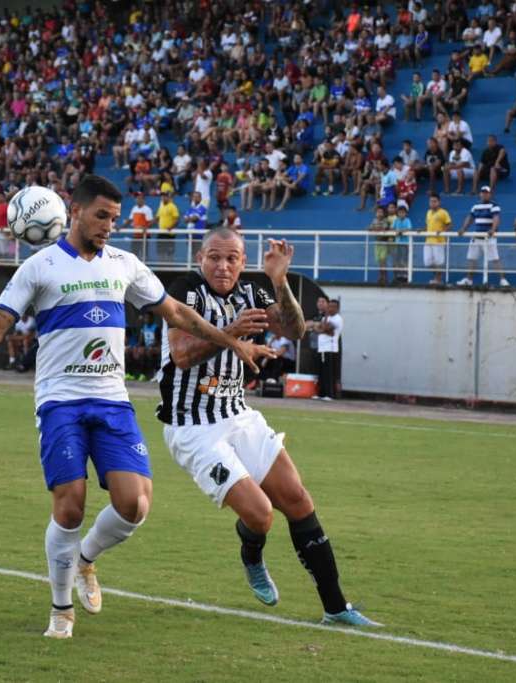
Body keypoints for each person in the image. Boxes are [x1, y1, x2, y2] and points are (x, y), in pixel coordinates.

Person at [0, 175, 273, 640]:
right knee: (70, 506)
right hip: (61, 401)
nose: (109, 225)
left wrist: (231, 341)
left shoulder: (125, 265)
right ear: (74, 212)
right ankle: (60, 610)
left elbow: (177, 313)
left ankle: (86, 561)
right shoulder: (39, 267)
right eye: (101, 216)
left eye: (115, 218)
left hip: (112, 400)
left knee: (134, 504)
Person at [158, 228, 376, 626]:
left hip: (238, 415)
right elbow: (182, 355)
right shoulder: (186, 291)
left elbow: (295, 330)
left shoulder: (251, 294)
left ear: (243, 262)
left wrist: (279, 282)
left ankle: (336, 607)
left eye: (232, 259)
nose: (222, 266)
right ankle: (252, 554)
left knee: (297, 499)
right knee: (260, 515)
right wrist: (233, 333)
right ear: (199, 257)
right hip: (193, 426)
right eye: (214, 257)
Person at [457, 186, 510, 287]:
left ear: (490, 194)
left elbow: (496, 218)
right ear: (480, 194)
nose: (484, 194)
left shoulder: (494, 205)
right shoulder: (475, 206)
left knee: (495, 259)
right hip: (477, 237)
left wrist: (493, 229)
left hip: (489, 238)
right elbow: (470, 218)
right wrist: (463, 228)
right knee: (472, 259)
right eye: (482, 192)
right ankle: (469, 280)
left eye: (486, 193)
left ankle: (503, 279)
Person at [312, 298, 343, 400]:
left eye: (333, 307)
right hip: (322, 349)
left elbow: (325, 328)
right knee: (321, 372)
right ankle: (321, 393)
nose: (330, 309)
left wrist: (323, 326)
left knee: (328, 373)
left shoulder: (337, 318)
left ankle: (329, 394)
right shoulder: (327, 318)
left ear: (338, 309)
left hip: (330, 349)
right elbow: (317, 329)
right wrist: (322, 329)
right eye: (329, 306)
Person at [423, 192, 451, 285]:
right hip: (428, 240)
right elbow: (427, 225)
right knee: (427, 262)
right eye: (431, 201)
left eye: (435, 201)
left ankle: (438, 279)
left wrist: (443, 232)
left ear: (439, 202)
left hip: (439, 241)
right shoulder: (428, 212)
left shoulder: (443, 212)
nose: (432, 203)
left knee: (438, 262)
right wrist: (422, 230)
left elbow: (449, 224)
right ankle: (437, 276)